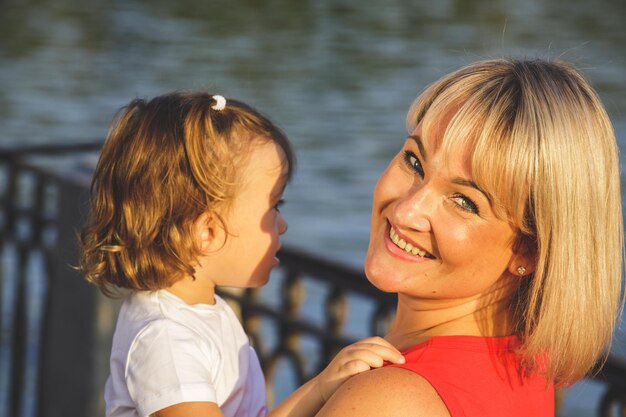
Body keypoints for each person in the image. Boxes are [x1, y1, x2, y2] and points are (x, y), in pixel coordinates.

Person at [316, 58, 624, 417]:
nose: (406, 211)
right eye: (414, 162)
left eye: (464, 202)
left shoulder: (388, 401)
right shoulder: (521, 365)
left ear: (530, 250)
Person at [79, 91, 405, 417]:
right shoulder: (167, 340)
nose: (283, 225)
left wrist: (322, 386)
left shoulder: (197, 314)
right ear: (207, 232)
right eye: (274, 207)